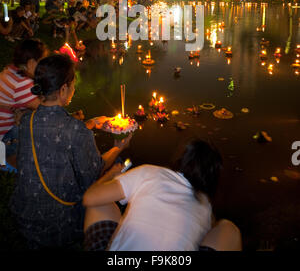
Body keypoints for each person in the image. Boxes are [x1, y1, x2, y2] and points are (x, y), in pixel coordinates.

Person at [10, 54, 131, 249]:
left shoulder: (27, 121)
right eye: (73, 85)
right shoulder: (76, 130)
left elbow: (55, 133)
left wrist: (89, 123)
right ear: (63, 89)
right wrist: (119, 146)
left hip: (24, 217)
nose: (74, 89)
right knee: (102, 190)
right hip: (58, 226)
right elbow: (95, 173)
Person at [83, 139, 242, 252]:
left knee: (99, 202)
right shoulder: (205, 205)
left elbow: (89, 197)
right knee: (228, 229)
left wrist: (110, 174)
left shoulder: (149, 172)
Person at [0, 39, 47, 162]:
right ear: (31, 63)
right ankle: (11, 162)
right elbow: (47, 108)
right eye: (42, 63)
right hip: (5, 138)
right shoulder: (22, 84)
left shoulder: (11, 70)